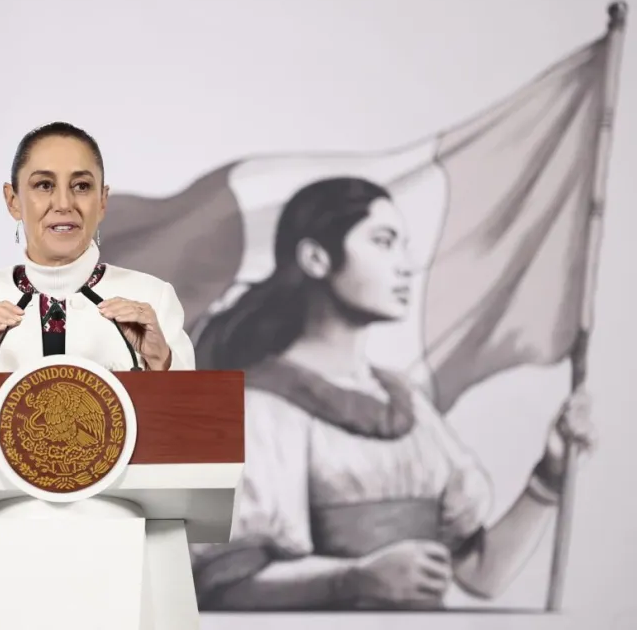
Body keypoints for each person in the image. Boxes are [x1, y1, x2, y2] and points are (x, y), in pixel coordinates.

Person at [189, 177, 596, 610]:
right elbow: (221, 585)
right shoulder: (254, 406)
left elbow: (481, 575)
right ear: (315, 258)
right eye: (383, 242)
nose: (406, 266)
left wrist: (549, 477)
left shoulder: (409, 404)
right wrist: (354, 579)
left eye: (404, 246)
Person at [0, 121, 195, 374]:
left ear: (102, 201)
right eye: (44, 185)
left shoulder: (152, 298)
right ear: (13, 201)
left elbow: (190, 403)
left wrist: (161, 360)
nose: (64, 203)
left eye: (81, 186)